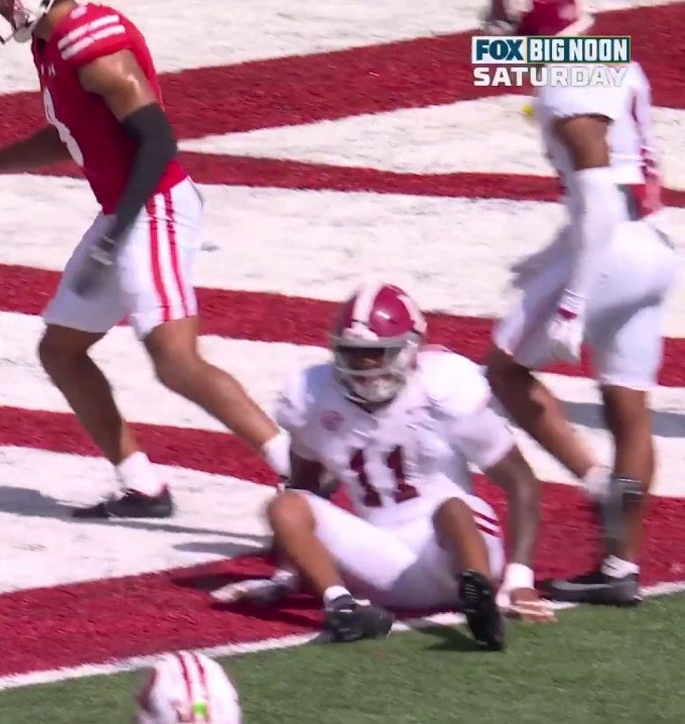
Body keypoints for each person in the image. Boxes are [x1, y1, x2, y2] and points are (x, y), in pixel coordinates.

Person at [0, 0, 289, 518]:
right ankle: (141, 485)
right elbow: (70, 135)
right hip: (126, 209)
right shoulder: (51, 43)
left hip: (154, 207)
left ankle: (298, 466)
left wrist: (119, 229)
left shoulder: (86, 38)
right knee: (61, 350)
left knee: (175, 359)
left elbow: (158, 139)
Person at [213, 284, 555, 649]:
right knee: (284, 503)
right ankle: (343, 609)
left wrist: (519, 578)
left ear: (410, 350)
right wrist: (286, 575)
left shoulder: (443, 387)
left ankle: (480, 599)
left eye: (375, 353)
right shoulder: (314, 396)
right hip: (385, 565)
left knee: (453, 507)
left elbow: (520, 481)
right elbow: (305, 495)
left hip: (460, 551)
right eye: (352, 353)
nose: (363, 366)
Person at [480, 0, 673, 604]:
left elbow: (598, 203)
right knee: (628, 408)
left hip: (611, 248)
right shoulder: (613, 60)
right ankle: (619, 569)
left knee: (505, 372)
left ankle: (596, 488)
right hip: (658, 247)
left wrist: (572, 300)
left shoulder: (569, 80)